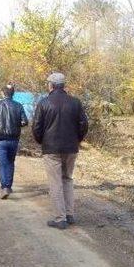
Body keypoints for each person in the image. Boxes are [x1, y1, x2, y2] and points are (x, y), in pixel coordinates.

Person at [32, 72, 88, 230]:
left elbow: (36, 127)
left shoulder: (44, 103)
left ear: (50, 85)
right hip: (71, 148)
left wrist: (42, 141)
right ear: (63, 86)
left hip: (51, 149)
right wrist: (77, 139)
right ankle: (69, 214)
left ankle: (60, 218)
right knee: (67, 179)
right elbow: (84, 124)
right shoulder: (75, 102)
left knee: (56, 182)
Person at [0, 83, 28, 199]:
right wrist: (15, 124)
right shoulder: (18, 106)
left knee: (2, 163)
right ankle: (8, 185)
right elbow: (25, 122)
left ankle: (5, 188)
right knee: (10, 162)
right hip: (13, 138)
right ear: (13, 94)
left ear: (2, 93)